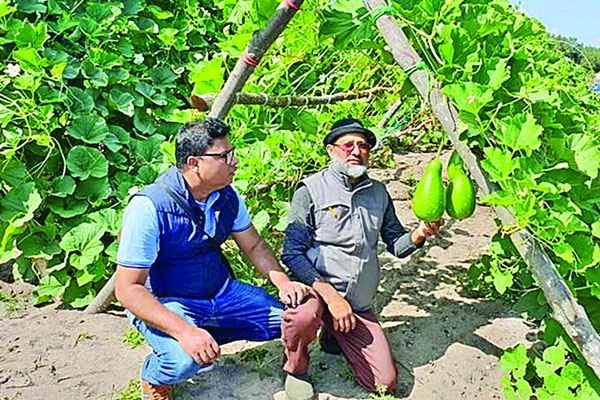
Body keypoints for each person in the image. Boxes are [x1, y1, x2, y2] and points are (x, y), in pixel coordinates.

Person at [115, 118, 309, 400]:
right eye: (225, 156)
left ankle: (202, 335)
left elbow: (253, 245)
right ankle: (155, 375)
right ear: (194, 163)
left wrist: (282, 282)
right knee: (184, 360)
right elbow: (128, 289)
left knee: (288, 323)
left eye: (233, 153)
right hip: (170, 301)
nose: (235, 162)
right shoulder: (149, 207)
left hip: (221, 291)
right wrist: (184, 332)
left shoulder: (227, 196)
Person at [280, 118, 444, 399]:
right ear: (331, 150)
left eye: (363, 145)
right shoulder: (310, 190)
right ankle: (296, 368)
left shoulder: (378, 193)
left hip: (356, 302)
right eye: (348, 145)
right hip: (318, 291)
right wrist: (331, 297)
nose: (356, 151)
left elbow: (396, 245)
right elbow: (292, 254)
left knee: (384, 383)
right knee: (301, 317)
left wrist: (420, 233)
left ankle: (334, 333)